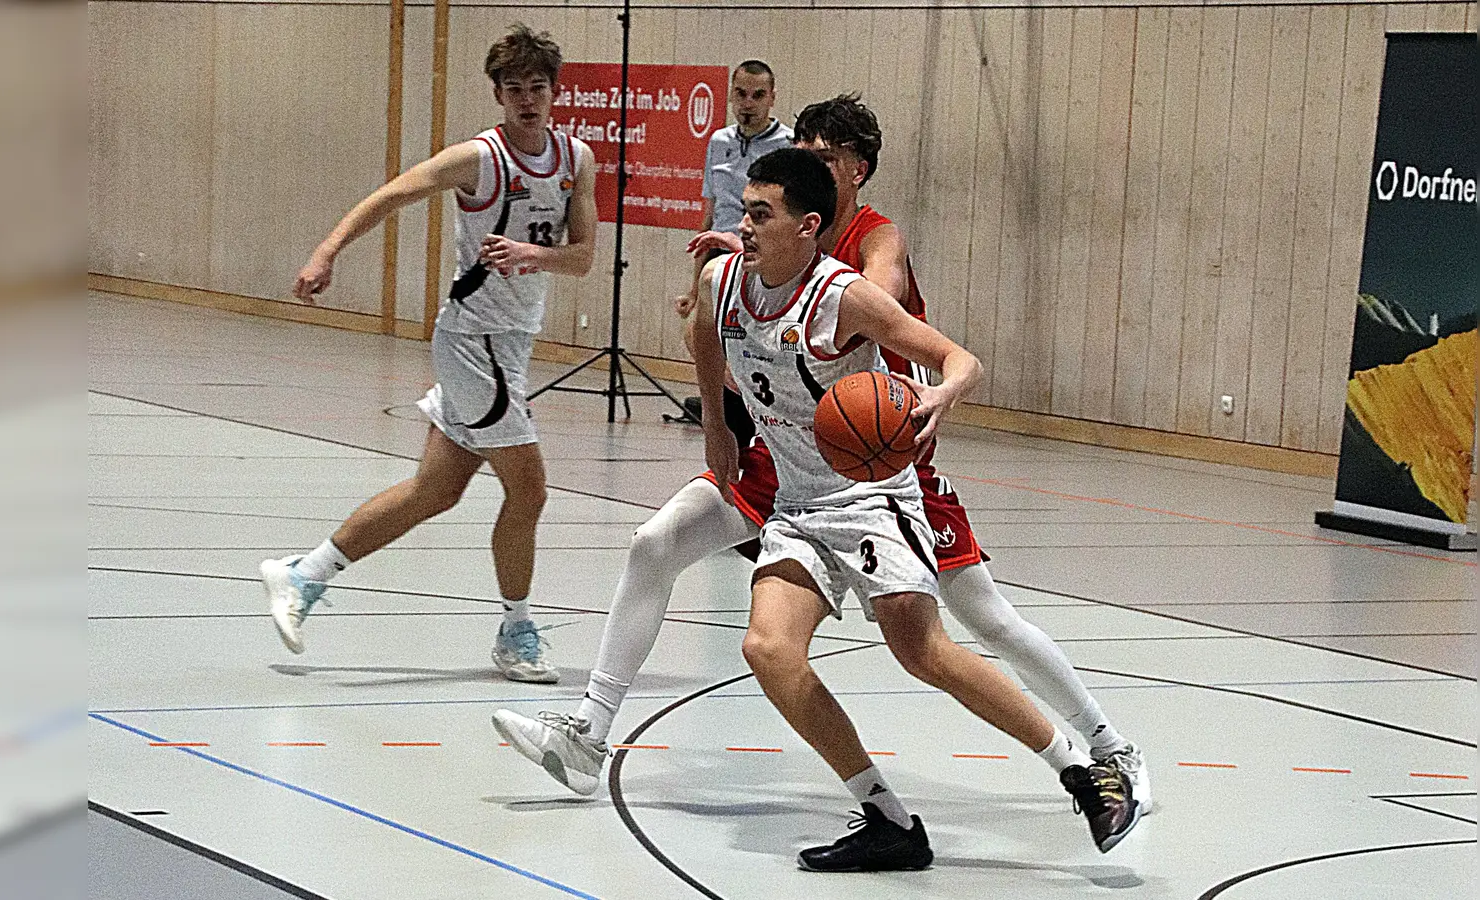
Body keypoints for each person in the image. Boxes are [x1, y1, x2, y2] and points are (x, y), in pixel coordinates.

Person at [498, 148, 1140, 871]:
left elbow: (962, 360)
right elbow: (706, 335)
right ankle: (888, 820)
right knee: (768, 649)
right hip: (799, 504)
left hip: (873, 501)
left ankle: (1084, 774)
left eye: (761, 214)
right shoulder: (722, 278)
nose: (745, 225)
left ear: (807, 226)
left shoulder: (842, 297)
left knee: (922, 651)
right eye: (745, 210)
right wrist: (716, 426)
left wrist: (940, 394)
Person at [260, 23, 597, 684]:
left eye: (538, 87)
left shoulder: (574, 158)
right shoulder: (479, 159)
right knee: (529, 491)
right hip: (473, 345)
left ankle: (304, 574)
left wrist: (533, 254)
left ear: (555, 91)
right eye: (514, 88)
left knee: (434, 491)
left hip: (512, 344)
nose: (527, 99)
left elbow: (583, 258)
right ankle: (517, 632)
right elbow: (392, 194)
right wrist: (327, 251)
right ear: (498, 94)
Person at [673, 60, 794, 321]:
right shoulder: (718, 142)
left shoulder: (788, 145)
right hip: (719, 255)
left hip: (761, 256)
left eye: (758, 95)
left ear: (772, 98)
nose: (748, 104)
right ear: (730, 94)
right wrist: (693, 290)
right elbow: (710, 216)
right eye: (741, 94)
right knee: (699, 334)